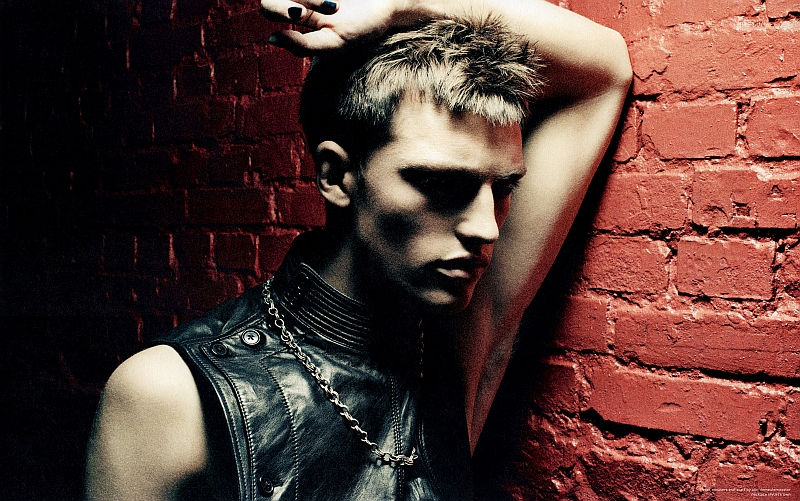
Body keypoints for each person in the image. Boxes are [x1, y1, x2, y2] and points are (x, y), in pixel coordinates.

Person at [84, 0, 632, 499]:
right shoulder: (169, 394)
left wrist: (404, 6)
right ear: (336, 175)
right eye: (442, 184)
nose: (487, 228)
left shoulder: (452, 350)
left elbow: (605, 70)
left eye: (504, 188)